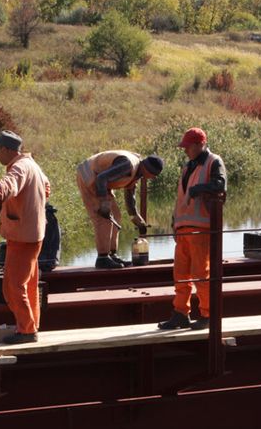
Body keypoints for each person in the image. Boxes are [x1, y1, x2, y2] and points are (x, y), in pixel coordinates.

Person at [0, 130, 51, 345]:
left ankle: (26, 330)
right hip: (34, 233)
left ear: (5, 149)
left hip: (22, 236)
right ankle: (31, 324)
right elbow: (47, 188)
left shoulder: (20, 167)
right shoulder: (33, 165)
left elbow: (10, 183)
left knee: (13, 286)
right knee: (28, 284)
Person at [158, 127, 227, 331]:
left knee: (201, 275)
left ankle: (208, 314)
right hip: (183, 230)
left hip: (201, 228)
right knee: (180, 275)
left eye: (188, 147)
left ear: (199, 145)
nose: (185, 150)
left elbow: (220, 185)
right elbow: (181, 198)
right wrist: (174, 223)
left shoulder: (214, 161)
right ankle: (180, 314)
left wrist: (197, 190)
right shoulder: (188, 166)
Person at [76, 150, 164, 268]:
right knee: (104, 218)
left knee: (116, 216)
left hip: (101, 182)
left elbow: (130, 198)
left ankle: (112, 255)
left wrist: (137, 220)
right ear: (149, 170)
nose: (153, 179)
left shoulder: (137, 172)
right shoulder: (127, 165)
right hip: (88, 176)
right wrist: (103, 203)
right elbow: (101, 178)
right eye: (154, 176)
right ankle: (102, 258)